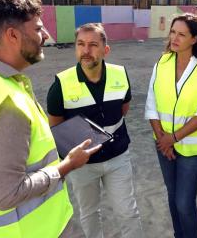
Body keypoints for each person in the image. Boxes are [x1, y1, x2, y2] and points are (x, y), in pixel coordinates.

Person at [0, 0, 101, 237]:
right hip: (36, 230)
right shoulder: (8, 105)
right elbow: (6, 194)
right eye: (39, 29)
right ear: (12, 35)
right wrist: (67, 166)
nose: (45, 36)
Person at [47, 23, 143, 238]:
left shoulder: (120, 74)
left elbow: (123, 108)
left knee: (127, 212)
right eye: (80, 44)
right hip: (82, 165)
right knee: (89, 213)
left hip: (118, 157)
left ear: (105, 50)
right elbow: (56, 126)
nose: (85, 50)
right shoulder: (61, 84)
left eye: (92, 45)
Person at [145, 14, 197, 238]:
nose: (174, 38)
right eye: (172, 32)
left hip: (193, 150)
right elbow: (152, 103)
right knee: (172, 197)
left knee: (184, 203)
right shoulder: (162, 63)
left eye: (181, 34)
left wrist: (173, 138)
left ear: (194, 39)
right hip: (163, 145)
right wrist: (162, 138)